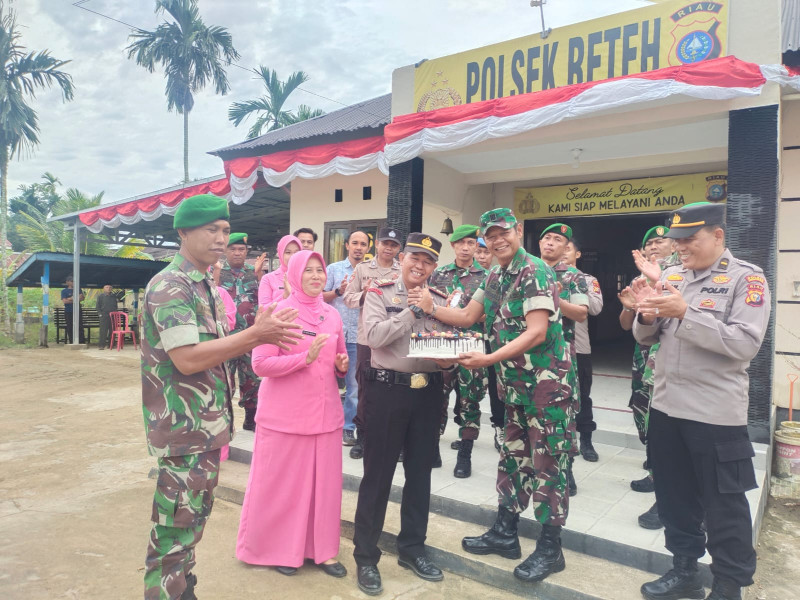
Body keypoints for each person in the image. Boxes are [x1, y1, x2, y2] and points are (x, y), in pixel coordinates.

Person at [140, 194, 302, 600]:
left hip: (204, 428)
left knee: (191, 519)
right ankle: (166, 592)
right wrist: (255, 336)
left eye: (225, 230)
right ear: (183, 232)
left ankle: (182, 585)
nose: (221, 238)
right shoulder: (171, 285)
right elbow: (188, 359)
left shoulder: (204, 285)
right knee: (174, 526)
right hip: (183, 430)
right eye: (211, 229)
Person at [629, 202, 769, 600]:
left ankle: (728, 584)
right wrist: (647, 314)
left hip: (714, 415)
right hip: (667, 407)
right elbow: (646, 339)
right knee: (675, 497)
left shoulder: (747, 279)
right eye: (677, 240)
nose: (681, 247)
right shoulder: (672, 275)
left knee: (724, 506)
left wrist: (686, 311)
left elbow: (744, 344)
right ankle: (684, 569)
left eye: (690, 239)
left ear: (718, 235)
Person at [428, 208, 575, 585]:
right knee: (513, 459)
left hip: (547, 390)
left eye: (503, 232)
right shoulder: (495, 273)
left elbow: (537, 331)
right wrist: (431, 309)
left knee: (548, 465)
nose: (497, 240)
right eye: (489, 236)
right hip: (515, 390)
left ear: (518, 231)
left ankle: (550, 547)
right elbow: (467, 316)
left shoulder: (535, 270)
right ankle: (506, 532)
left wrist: (488, 359)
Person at [237, 250, 350, 578]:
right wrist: (304, 359)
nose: (316, 276)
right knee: (284, 489)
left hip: (325, 415)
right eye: (309, 271)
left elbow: (339, 356)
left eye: (320, 271)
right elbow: (260, 364)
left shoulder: (332, 315)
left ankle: (323, 551)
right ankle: (282, 550)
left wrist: (341, 367)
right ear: (295, 274)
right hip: (285, 418)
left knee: (324, 489)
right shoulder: (277, 313)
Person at [352, 233, 453, 596]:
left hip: (428, 392)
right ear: (403, 259)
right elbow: (375, 337)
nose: (420, 266)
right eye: (415, 257)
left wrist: (450, 357)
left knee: (420, 475)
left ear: (434, 267)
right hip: (386, 391)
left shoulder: (441, 300)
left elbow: (450, 345)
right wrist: (415, 311)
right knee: (377, 476)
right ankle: (365, 557)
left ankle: (412, 549)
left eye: (428, 261)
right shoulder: (378, 292)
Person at [619, 224, 679, 529]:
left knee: (663, 422)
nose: (654, 246)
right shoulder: (638, 280)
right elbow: (625, 323)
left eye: (659, 241)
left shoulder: (681, 274)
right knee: (641, 413)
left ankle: (663, 478)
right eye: (649, 244)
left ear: (673, 244)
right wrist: (630, 307)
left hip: (669, 359)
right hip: (643, 357)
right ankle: (655, 466)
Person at [428, 224, 487, 478]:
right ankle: (433, 449)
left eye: (470, 243)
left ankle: (465, 454)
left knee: (469, 401)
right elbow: (428, 305)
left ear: (476, 246)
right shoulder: (439, 274)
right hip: (443, 345)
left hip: (472, 346)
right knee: (435, 398)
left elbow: (493, 310)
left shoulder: (488, 276)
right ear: (453, 246)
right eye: (461, 243)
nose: (465, 247)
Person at [342, 227, 402, 460]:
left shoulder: (402, 270)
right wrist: (365, 295)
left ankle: (391, 437)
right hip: (367, 338)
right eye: (385, 243)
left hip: (395, 338)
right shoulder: (363, 269)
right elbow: (347, 298)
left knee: (394, 388)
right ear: (376, 244)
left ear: (399, 248)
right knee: (364, 387)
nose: (389, 248)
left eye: (394, 245)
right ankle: (363, 436)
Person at [538, 223, 588, 495]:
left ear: (565, 248)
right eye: (547, 237)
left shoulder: (574, 276)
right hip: (528, 356)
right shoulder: (527, 271)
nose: (550, 242)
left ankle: (566, 467)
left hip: (559, 356)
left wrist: (555, 298)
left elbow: (580, 314)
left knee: (563, 415)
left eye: (558, 240)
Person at [323, 230, 370, 447]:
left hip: (357, 336)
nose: (359, 247)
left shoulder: (370, 272)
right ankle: (324, 422)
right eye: (355, 243)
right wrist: (337, 292)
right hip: (332, 335)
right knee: (325, 382)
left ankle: (348, 428)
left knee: (353, 387)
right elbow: (319, 297)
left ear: (369, 248)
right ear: (346, 245)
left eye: (363, 244)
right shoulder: (333, 269)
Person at [219, 232, 265, 431]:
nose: (237, 253)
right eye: (233, 249)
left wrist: (260, 275)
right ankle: (224, 421)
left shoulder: (254, 272)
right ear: (225, 251)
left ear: (246, 252)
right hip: (226, 339)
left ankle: (250, 419)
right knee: (224, 380)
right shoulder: (217, 272)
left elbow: (263, 300)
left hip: (249, 337)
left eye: (241, 249)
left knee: (252, 379)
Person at [562, 239, 603, 462]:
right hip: (551, 348)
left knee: (582, 396)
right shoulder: (542, 277)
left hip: (579, 348)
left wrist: (573, 287)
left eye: (567, 249)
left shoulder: (588, 280)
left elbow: (596, 308)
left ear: (577, 254)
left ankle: (586, 440)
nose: (562, 252)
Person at [474, 236, 506, 452]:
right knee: (476, 391)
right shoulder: (489, 277)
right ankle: (498, 425)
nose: (483, 256)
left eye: (487, 252)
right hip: (471, 342)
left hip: (500, 343)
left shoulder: (500, 276)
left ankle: (505, 427)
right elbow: (469, 313)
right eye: (480, 251)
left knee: (502, 386)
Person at [258, 235, 301, 307]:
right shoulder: (268, 279)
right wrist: (285, 297)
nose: (293, 256)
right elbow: (263, 309)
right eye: (288, 252)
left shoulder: (307, 277)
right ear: (280, 254)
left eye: (296, 252)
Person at [61, 275, 85, 344]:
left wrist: (70, 298)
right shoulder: (64, 291)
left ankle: (81, 341)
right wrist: (76, 299)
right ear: (67, 282)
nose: (73, 282)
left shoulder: (78, 289)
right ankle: (72, 341)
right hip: (69, 311)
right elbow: (65, 301)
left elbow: (82, 298)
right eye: (72, 281)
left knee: (80, 326)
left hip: (78, 311)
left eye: (74, 281)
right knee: (70, 326)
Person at [95, 284, 118, 350]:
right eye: (107, 287)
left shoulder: (114, 296)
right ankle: (101, 345)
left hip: (113, 315)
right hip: (104, 315)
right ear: (104, 288)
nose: (108, 288)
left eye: (110, 287)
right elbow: (97, 306)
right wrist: (100, 314)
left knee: (112, 330)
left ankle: (111, 344)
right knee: (103, 331)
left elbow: (115, 305)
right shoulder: (100, 296)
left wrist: (115, 312)